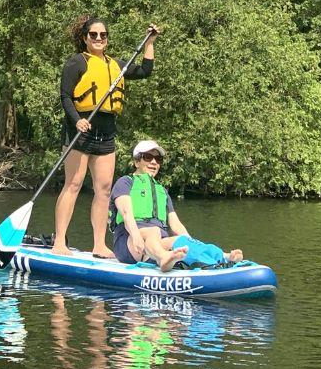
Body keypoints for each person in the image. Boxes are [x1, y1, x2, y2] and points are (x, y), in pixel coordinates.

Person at [53, 16, 159, 257]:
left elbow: (144, 71)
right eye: (93, 35)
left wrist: (150, 42)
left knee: (103, 189)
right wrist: (76, 119)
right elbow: (65, 97)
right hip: (80, 129)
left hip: (106, 132)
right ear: (85, 38)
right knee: (74, 184)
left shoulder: (117, 65)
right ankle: (60, 242)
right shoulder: (76, 63)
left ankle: (99, 245)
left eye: (103, 35)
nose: (99, 39)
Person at [109, 140, 244, 272]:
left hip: (155, 245)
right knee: (153, 230)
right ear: (137, 161)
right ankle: (163, 259)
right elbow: (126, 213)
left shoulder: (162, 191)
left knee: (181, 240)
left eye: (158, 159)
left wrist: (190, 243)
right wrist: (136, 236)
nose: (154, 162)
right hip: (129, 242)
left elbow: (176, 225)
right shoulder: (125, 182)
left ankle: (223, 256)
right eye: (148, 157)